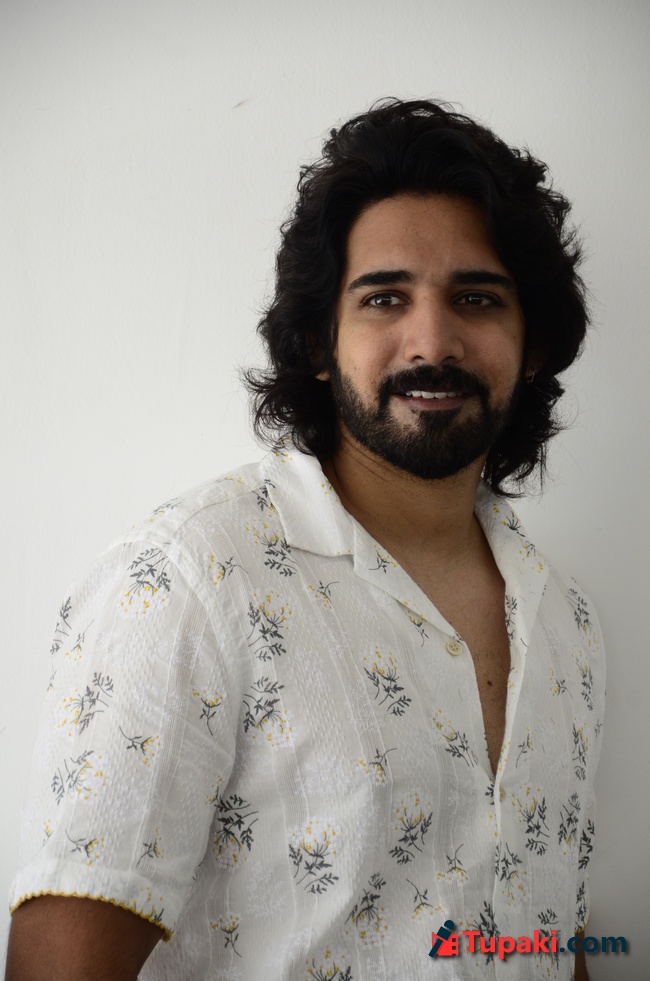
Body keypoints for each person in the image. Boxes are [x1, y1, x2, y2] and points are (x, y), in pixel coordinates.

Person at [6, 98, 604, 981]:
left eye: (476, 298)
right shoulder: (189, 581)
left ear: (533, 341)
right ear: (320, 343)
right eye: (384, 297)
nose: (433, 340)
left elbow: (546, 929)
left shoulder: (566, 622)